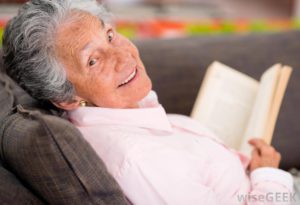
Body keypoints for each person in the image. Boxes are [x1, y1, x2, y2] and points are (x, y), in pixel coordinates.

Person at [2, 0, 294, 204]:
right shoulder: (139, 160)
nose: (123, 55)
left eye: (110, 35)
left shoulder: (120, 112)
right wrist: (267, 174)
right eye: (93, 60)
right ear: (66, 98)